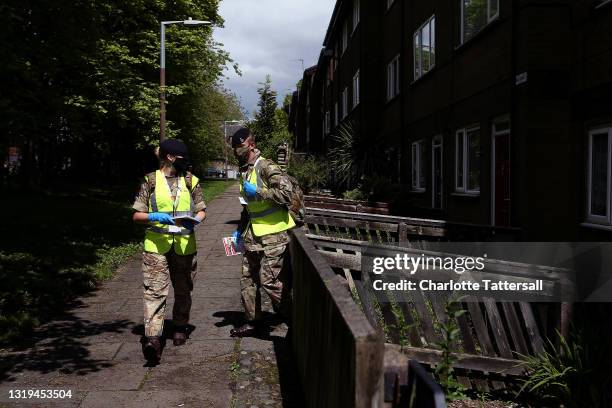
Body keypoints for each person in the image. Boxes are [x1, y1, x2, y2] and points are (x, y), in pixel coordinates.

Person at [132, 139, 206, 363]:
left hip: (184, 247)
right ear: (171, 157)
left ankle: (180, 327)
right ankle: (153, 339)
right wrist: (153, 216)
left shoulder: (191, 180)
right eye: (183, 157)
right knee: (154, 292)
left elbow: (202, 209)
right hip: (156, 247)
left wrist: (195, 220)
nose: (187, 161)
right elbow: (137, 215)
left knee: (183, 290)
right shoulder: (150, 181)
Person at [229, 128, 296, 338]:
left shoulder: (267, 166)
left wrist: (258, 191)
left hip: (274, 234)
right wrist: (239, 230)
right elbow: (247, 206)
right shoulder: (245, 170)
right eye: (234, 147)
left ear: (250, 145)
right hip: (253, 234)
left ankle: (294, 319)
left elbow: (287, 195)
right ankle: (252, 321)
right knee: (247, 279)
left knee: (271, 281)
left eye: (238, 147)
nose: (235, 151)